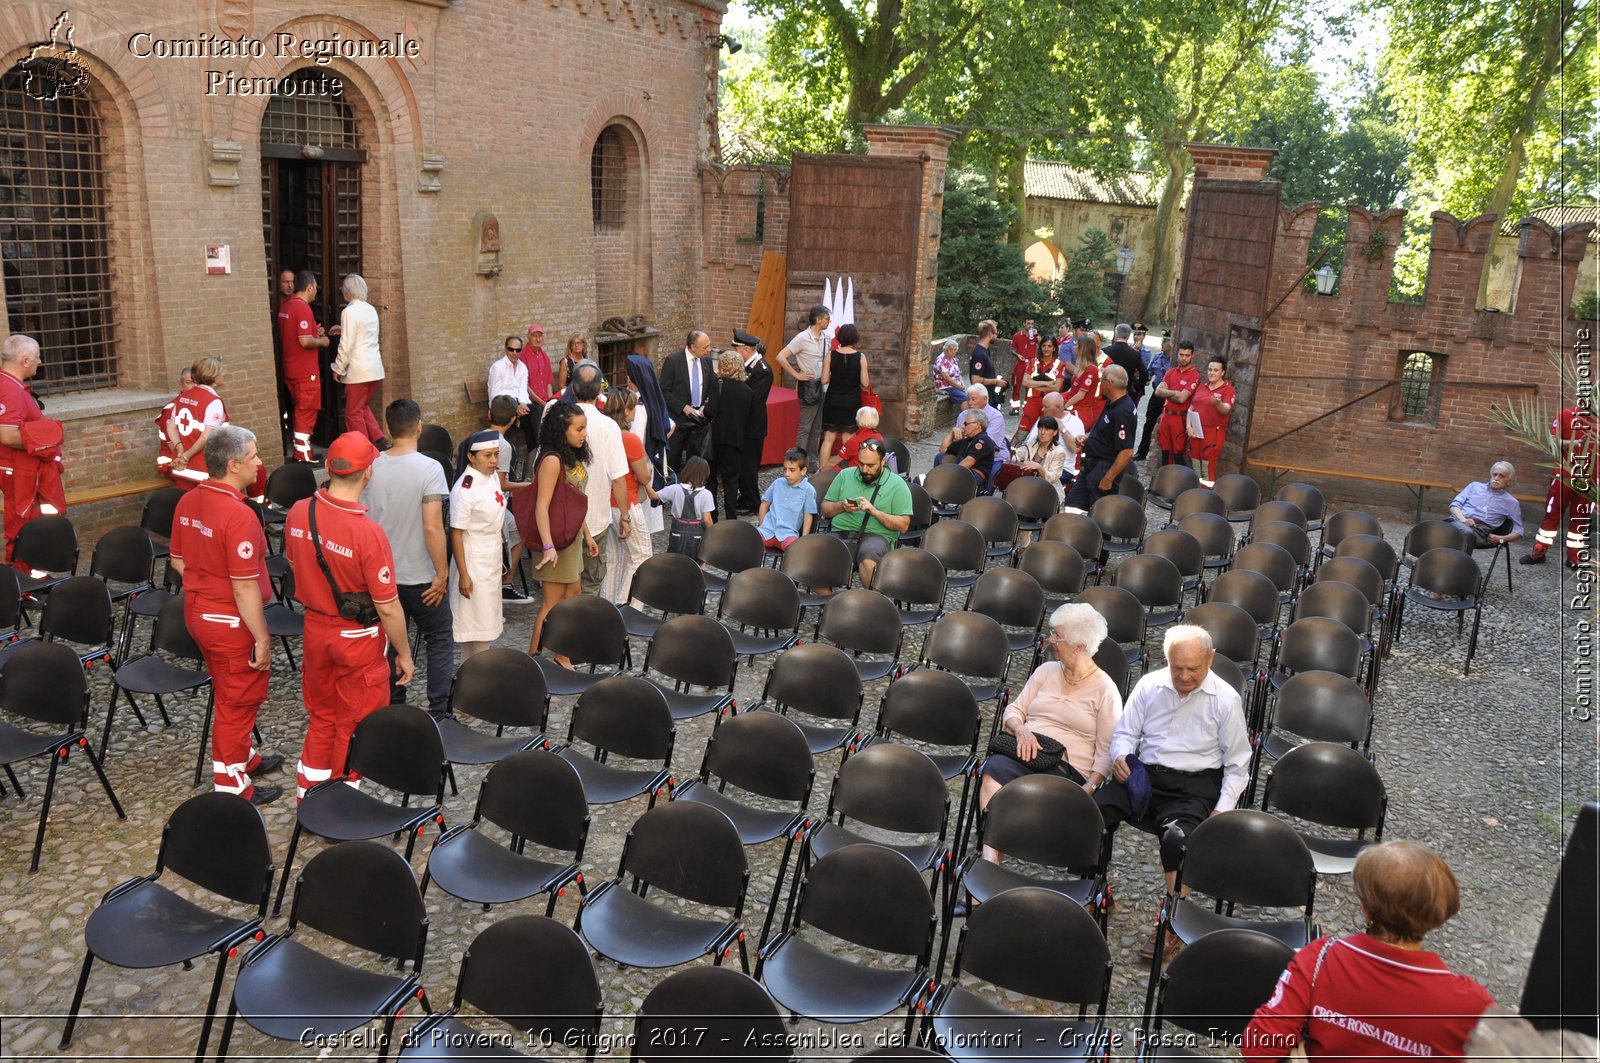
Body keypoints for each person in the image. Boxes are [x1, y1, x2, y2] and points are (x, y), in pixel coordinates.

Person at [1242, 841, 1494, 1063]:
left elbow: (1257, 1049)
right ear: (1439, 915)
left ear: (1366, 909)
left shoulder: (1318, 959)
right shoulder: (1472, 1005)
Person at [1092, 624, 1251, 959]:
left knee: (1177, 840)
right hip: (1144, 775)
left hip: (1193, 786)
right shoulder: (1150, 685)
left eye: (1193, 668)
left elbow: (1238, 764)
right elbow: (1125, 732)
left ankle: (1171, 918)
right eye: (1176, 667)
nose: (1184, 676)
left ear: (1211, 659)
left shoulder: (1226, 700)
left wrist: (1221, 811)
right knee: (1092, 812)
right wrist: (1120, 755)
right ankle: (1093, 889)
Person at [286, 432, 414, 799]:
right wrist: (403, 654)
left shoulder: (299, 511)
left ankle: (308, 794)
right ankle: (343, 802)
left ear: (328, 466)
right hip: (357, 638)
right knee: (355, 723)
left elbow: (295, 564)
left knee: (322, 714)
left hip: (314, 628)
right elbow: (388, 606)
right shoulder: (368, 533)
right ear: (368, 473)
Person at [168, 424, 283, 804]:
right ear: (234, 466)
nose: (259, 464)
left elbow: (177, 561)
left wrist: (206, 582)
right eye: (253, 458)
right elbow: (244, 586)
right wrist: (263, 638)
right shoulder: (239, 515)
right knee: (239, 700)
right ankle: (232, 784)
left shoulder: (188, 501)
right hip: (230, 622)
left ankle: (243, 757)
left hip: (199, 614)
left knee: (229, 690)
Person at [977, 603, 1121, 864]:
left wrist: (1090, 787)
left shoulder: (1105, 690)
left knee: (1033, 788)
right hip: (1024, 753)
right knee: (992, 773)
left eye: (1057, 636)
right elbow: (1013, 711)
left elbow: (1107, 751)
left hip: (1066, 768)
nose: (1051, 640)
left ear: (1079, 646)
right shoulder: (1045, 671)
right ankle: (990, 864)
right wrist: (1021, 731)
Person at [362, 399, 453, 714]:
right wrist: (441, 573)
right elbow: (433, 527)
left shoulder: (371, 466)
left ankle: (395, 705)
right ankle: (439, 710)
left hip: (382, 578)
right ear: (419, 427)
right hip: (421, 577)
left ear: (387, 429)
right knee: (439, 639)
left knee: (388, 644)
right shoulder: (430, 468)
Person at [527, 403, 598, 661]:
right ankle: (533, 658)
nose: (584, 434)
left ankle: (562, 654)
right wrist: (547, 547)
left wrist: (587, 535)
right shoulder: (552, 460)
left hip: (571, 538)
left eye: (584, 428)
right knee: (552, 603)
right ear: (561, 429)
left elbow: (573, 502)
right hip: (555, 543)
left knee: (572, 597)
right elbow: (541, 506)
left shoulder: (571, 454)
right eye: (579, 429)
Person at [0, 334, 63, 565]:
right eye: (37, 357)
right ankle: (21, 583)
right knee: (22, 525)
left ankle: (32, 575)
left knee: (34, 524)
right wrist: (45, 443)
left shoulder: (9, 384)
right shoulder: (10, 390)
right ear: (25, 361)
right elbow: (6, 435)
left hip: (24, 470)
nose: (40, 362)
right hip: (20, 471)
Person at [570, 360, 632, 595]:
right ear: (599, 391)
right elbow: (618, 478)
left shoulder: (557, 418)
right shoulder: (608, 426)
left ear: (573, 388)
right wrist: (625, 517)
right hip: (594, 518)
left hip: (564, 520)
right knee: (589, 583)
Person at [448, 430, 507, 662]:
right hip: (473, 562)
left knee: (486, 623)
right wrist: (464, 574)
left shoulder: (490, 476)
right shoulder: (465, 490)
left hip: (490, 558)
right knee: (477, 626)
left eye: (496, 454)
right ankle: (475, 677)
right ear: (472, 457)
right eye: (487, 455)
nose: (494, 461)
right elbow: (456, 533)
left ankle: (474, 676)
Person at [821, 439, 912, 588]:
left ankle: (870, 605)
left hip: (876, 536)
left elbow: (904, 525)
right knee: (811, 557)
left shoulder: (898, 484)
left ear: (883, 461)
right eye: (861, 463)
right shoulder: (845, 475)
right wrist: (841, 505)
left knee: (868, 562)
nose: (864, 469)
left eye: (870, 465)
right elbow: (825, 509)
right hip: (840, 532)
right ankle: (832, 605)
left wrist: (875, 512)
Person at [598, 389, 659, 604]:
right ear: (626, 411)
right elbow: (643, 475)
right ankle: (628, 606)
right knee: (642, 557)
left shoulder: (602, 434)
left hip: (607, 502)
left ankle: (608, 605)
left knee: (614, 559)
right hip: (627, 502)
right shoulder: (629, 439)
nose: (636, 412)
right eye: (633, 408)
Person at [1525, 406, 1596, 567]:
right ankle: (1539, 551)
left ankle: (1574, 558)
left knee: (1581, 518)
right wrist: (1575, 442)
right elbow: (1552, 442)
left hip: (1590, 479)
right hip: (1564, 474)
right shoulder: (1566, 415)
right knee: (1552, 513)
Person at [277, 270, 334, 464]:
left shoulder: (287, 306)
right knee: (306, 410)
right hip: (304, 371)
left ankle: (302, 450)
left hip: (290, 369)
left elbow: (295, 334)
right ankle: (302, 454)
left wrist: (313, 332)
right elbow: (303, 341)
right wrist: (323, 341)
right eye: (315, 288)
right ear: (309, 287)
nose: (315, 291)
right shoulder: (302, 308)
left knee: (300, 409)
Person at [1065, 364, 1137, 511]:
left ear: (1109, 383)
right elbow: (1105, 432)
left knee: (1100, 515)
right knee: (1073, 506)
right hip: (1090, 466)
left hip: (1104, 469)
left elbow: (1127, 451)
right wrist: (1087, 438)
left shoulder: (1123, 411)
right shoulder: (1113, 402)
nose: (1100, 384)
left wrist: (1108, 478)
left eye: (1101, 380)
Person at [484, 395, 532, 602]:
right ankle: (505, 584)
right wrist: (528, 485)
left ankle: (505, 582)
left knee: (517, 532)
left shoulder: (479, 436)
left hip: (487, 502)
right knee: (521, 531)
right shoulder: (502, 445)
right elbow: (501, 483)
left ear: (489, 414)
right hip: (495, 504)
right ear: (514, 419)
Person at [163, 357, 236, 490]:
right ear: (214, 376)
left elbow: (170, 427)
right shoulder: (212, 401)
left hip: (182, 469)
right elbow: (206, 436)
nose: (223, 375)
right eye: (221, 372)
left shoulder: (182, 397)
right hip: (204, 469)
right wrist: (186, 456)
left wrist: (180, 449)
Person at [331, 274, 385, 445]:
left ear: (347, 293)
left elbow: (346, 345)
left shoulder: (349, 311)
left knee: (353, 413)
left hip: (359, 371)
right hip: (375, 368)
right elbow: (365, 333)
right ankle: (378, 438)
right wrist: (343, 328)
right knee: (363, 406)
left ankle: (362, 446)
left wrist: (338, 368)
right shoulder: (371, 309)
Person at [776, 305, 831, 470]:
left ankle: (813, 462)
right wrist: (796, 374)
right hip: (808, 388)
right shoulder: (802, 337)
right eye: (827, 318)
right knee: (806, 427)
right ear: (818, 320)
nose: (829, 321)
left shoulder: (826, 338)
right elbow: (780, 357)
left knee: (817, 427)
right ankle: (799, 462)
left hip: (823, 386)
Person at [660, 330, 719, 471]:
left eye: (709, 346)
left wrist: (706, 408)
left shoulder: (707, 361)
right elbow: (663, 391)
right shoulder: (673, 361)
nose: (709, 350)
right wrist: (683, 407)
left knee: (696, 460)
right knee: (673, 458)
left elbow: (712, 388)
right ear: (693, 347)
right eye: (705, 347)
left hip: (699, 419)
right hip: (678, 419)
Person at [711, 349, 754, 520]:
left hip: (715, 439)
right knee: (731, 481)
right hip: (735, 441)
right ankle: (731, 517)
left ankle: (712, 514)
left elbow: (709, 411)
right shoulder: (747, 391)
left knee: (711, 479)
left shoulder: (717, 386)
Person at [488, 333, 546, 460]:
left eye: (518, 350)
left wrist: (523, 404)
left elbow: (522, 390)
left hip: (518, 404)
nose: (514, 353)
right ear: (505, 349)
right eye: (511, 349)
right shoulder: (497, 368)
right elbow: (495, 398)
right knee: (532, 417)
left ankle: (535, 454)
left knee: (537, 412)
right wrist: (515, 407)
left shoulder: (522, 367)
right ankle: (539, 453)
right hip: (502, 407)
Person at [820, 323, 870, 468]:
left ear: (840, 337)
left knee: (828, 439)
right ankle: (850, 470)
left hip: (833, 400)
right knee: (848, 440)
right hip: (851, 402)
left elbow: (824, 380)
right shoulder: (861, 357)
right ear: (855, 338)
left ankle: (823, 472)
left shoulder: (831, 355)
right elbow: (865, 383)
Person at [735, 329, 773, 513]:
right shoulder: (749, 365)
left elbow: (753, 400)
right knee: (742, 465)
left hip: (752, 427)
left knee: (749, 466)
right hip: (744, 425)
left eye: (736, 349)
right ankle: (745, 497)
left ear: (744, 350)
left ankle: (752, 502)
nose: (735, 353)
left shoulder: (762, 370)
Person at [1446, 462, 1524, 551]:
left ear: (1508, 482)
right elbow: (1454, 505)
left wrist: (1501, 539)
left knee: (1465, 534)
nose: (1496, 478)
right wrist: (1463, 519)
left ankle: (1458, 563)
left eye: (1502, 476)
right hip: (1456, 521)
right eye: (1495, 474)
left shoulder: (1512, 503)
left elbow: (1519, 531)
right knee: (1434, 530)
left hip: (1478, 530)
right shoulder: (1474, 486)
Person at [1152, 340, 1201, 467]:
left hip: (1180, 418)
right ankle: (1162, 482)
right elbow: (1157, 391)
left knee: (1177, 453)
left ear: (1192, 355)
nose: (1184, 358)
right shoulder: (1171, 372)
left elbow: (1182, 399)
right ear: (1177, 354)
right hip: (1166, 416)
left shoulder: (1194, 375)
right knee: (1164, 451)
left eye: (1187, 355)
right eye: (1181, 354)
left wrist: (1167, 392)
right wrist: (1176, 392)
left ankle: (1178, 484)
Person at [758, 448, 817, 550]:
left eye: (792, 470)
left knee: (794, 551)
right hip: (767, 530)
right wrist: (762, 525)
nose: (787, 474)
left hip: (787, 534)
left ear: (803, 471)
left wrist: (804, 540)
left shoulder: (808, 490)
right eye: (785, 469)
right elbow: (764, 504)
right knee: (748, 540)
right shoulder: (778, 483)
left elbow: (808, 515)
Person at [659, 456, 717, 557]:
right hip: (697, 535)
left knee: (675, 560)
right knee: (698, 562)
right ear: (705, 475)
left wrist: (646, 482)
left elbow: (653, 495)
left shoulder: (675, 489)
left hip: (677, 533)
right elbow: (707, 519)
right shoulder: (706, 494)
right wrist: (713, 535)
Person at [1190, 355, 1235, 480]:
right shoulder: (1201, 387)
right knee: (1195, 466)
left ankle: (1206, 496)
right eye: (1210, 370)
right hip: (1196, 431)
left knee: (1206, 468)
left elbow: (1226, 409)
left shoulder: (1228, 390)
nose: (1212, 373)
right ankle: (1194, 493)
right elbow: (1191, 408)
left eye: (1216, 370)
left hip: (1213, 433)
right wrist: (1189, 427)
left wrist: (1218, 403)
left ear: (1222, 372)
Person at [998, 414, 1069, 492]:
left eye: (1047, 429)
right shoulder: (1032, 442)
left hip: (1046, 490)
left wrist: (1039, 467)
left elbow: (1053, 477)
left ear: (1055, 432)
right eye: (1040, 428)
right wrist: (1014, 462)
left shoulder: (1059, 452)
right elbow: (1017, 456)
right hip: (1026, 484)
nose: (1042, 432)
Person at [1019, 335, 1065, 437]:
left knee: (1045, 433)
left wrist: (1033, 384)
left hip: (1049, 404)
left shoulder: (1060, 365)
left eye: (1049, 346)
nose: (1046, 349)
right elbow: (1025, 382)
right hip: (1032, 401)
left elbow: (1056, 387)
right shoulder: (1032, 362)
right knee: (1022, 432)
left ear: (1054, 348)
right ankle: (1015, 452)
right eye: (1044, 346)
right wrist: (1046, 383)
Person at [938, 409, 998, 487]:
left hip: (974, 475)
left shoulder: (983, 439)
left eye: (966, 423)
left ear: (977, 425)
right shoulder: (967, 440)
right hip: (963, 472)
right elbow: (943, 449)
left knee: (943, 481)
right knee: (940, 457)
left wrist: (951, 475)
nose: (963, 426)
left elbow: (969, 462)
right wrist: (952, 433)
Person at [1134, 333, 1170, 462]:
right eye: (1162, 340)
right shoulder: (1157, 357)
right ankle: (1141, 452)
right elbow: (1148, 373)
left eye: (1165, 340)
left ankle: (1160, 458)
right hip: (1156, 396)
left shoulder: (1174, 360)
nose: (1162, 343)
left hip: (1168, 397)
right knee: (1149, 423)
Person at [154, 365, 192, 483]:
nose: (194, 387)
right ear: (180, 385)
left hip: (187, 457)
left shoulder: (198, 405)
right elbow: (173, 448)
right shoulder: (171, 409)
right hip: (172, 461)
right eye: (189, 382)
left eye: (197, 383)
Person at [1062, 333, 1104, 432]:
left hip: (1081, 413)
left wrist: (1063, 407)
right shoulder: (1081, 367)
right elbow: (1073, 391)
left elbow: (1080, 395)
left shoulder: (1091, 370)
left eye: (1076, 345)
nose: (1074, 347)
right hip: (1074, 409)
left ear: (1082, 349)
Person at [825, 406, 885, 473]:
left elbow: (831, 464)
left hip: (856, 477)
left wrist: (817, 475)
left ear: (858, 420)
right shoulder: (880, 437)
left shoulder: (853, 442)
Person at [1102, 323, 1150, 405]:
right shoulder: (1134, 354)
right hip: (1125, 390)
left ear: (1116, 334)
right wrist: (1136, 387)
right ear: (1128, 336)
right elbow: (1145, 374)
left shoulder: (1105, 351)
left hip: (1107, 390)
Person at [968, 319, 1006, 408]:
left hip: (989, 395)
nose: (996, 336)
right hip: (982, 397)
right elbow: (975, 380)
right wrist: (996, 382)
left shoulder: (985, 351)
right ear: (989, 334)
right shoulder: (979, 354)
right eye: (995, 333)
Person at [1009, 318, 1039, 413]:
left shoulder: (1034, 336)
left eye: (1032, 323)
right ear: (1024, 324)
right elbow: (1012, 348)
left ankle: (1027, 408)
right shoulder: (1017, 335)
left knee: (1030, 386)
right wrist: (1017, 355)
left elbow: (1042, 344)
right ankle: (1015, 409)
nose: (1030, 325)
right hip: (1020, 363)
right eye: (1028, 323)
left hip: (1031, 364)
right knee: (1016, 385)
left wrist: (1037, 335)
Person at [934, 339, 968, 405]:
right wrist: (960, 387)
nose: (953, 351)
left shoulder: (953, 360)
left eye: (955, 350)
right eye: (951, 349)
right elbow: (947, 378)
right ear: (945, 350)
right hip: (946, 386)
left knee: (971, 397)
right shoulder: (941, 360)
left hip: (955, 386)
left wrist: (963, 385)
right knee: (967, 398)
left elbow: (959, 375)